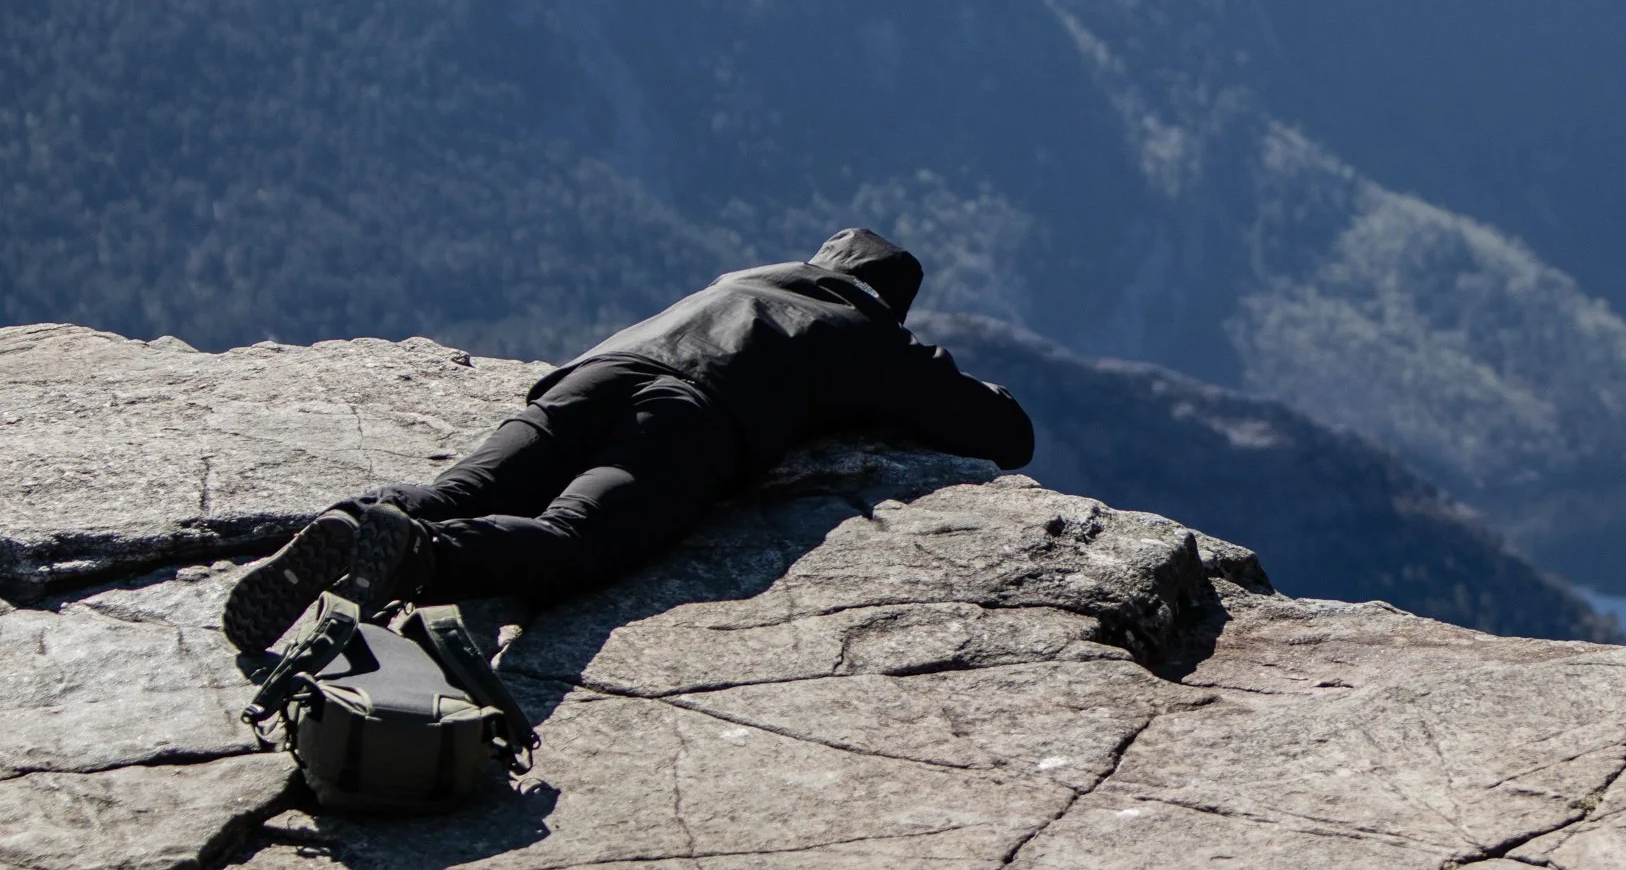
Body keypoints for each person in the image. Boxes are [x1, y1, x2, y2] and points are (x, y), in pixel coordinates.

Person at [222, 228, 1033, 652]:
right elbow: (1000, 431)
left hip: (594, 373)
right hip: (691, 416)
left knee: (463, 489)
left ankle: (360, 523)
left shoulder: (746, 276)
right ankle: (416, 559)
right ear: (887, 302)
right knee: (572, 540)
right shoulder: (864, 330)